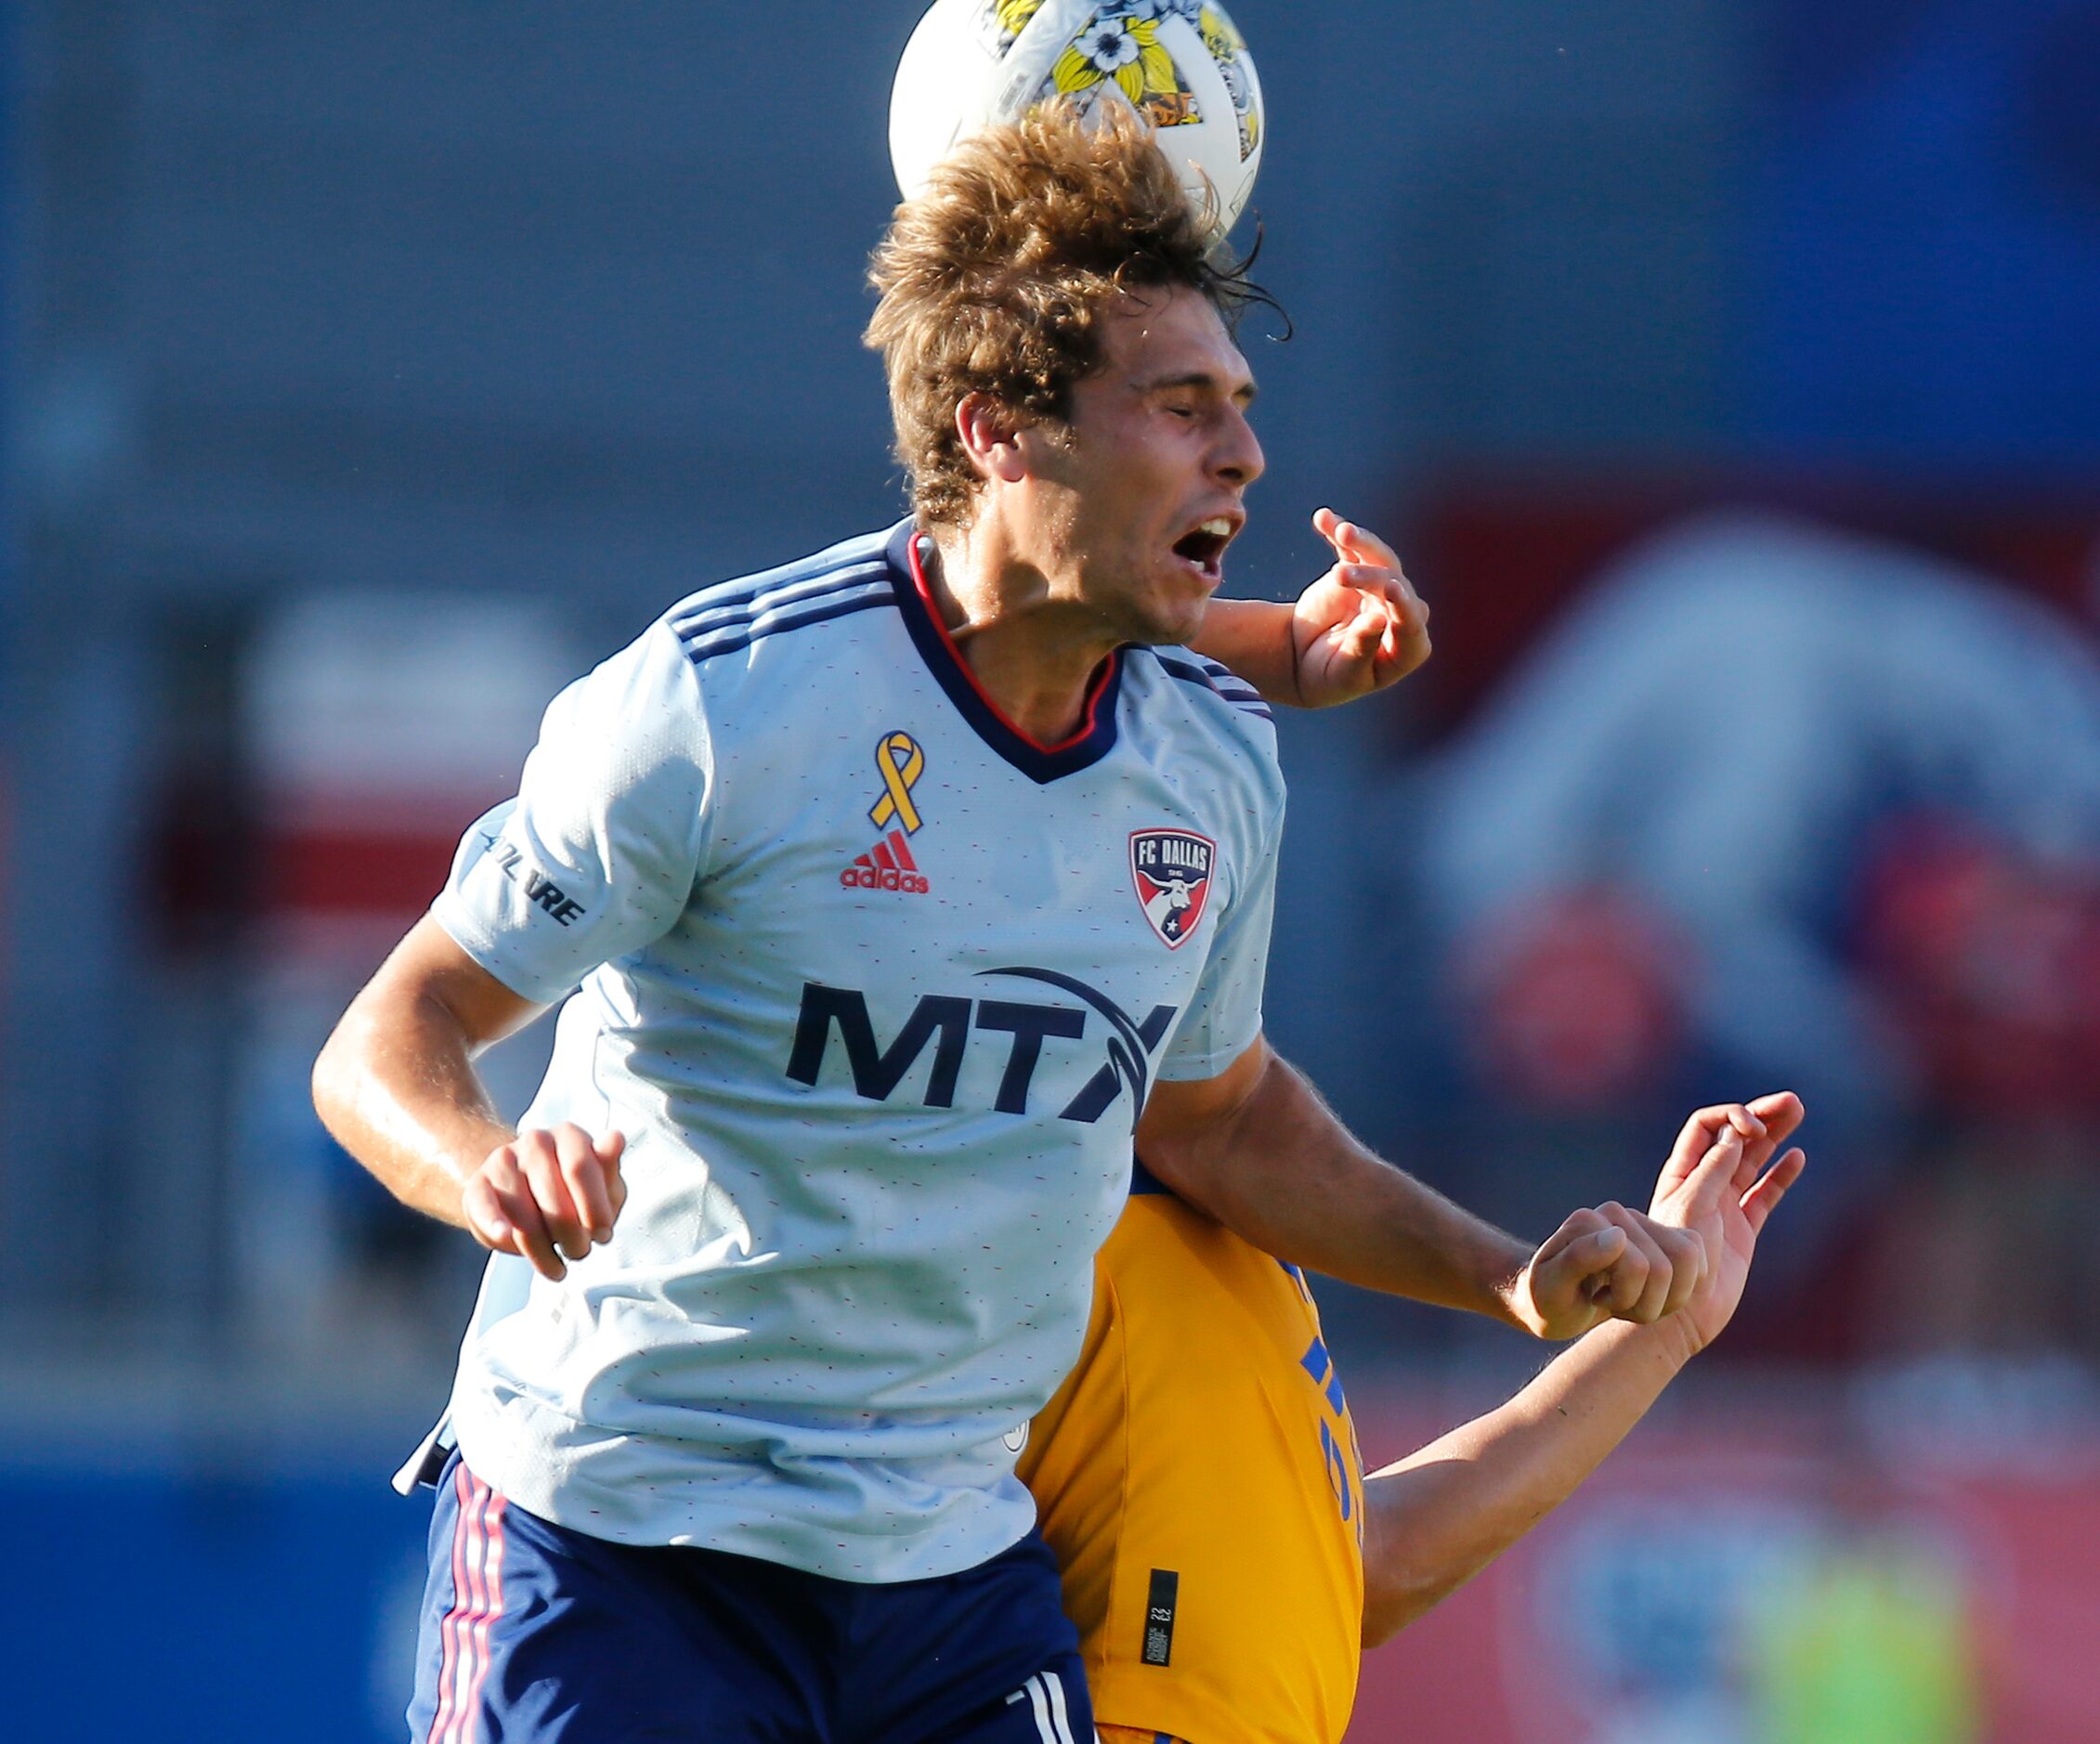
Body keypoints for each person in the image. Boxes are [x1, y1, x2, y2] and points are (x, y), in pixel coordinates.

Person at [313, 110, 1712, 1743]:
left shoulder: (1212, 761)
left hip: (943, 1573)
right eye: (1181, 410)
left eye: (1241, 413)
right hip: (626, 1528)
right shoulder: (725, 705)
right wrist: (481, 1163)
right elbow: (385, 1035)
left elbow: (1227, 1121)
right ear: (996, 433)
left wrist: (1510, 1281)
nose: (1244, 461)